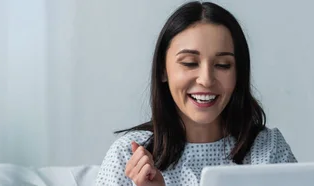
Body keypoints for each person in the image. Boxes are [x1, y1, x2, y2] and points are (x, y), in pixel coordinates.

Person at [95, 1, 297, 186]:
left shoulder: (267, 149)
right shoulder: (128, 156)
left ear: (238, 73)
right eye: (190, 63)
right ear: (163, 71)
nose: (206, 79)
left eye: (222, 65)